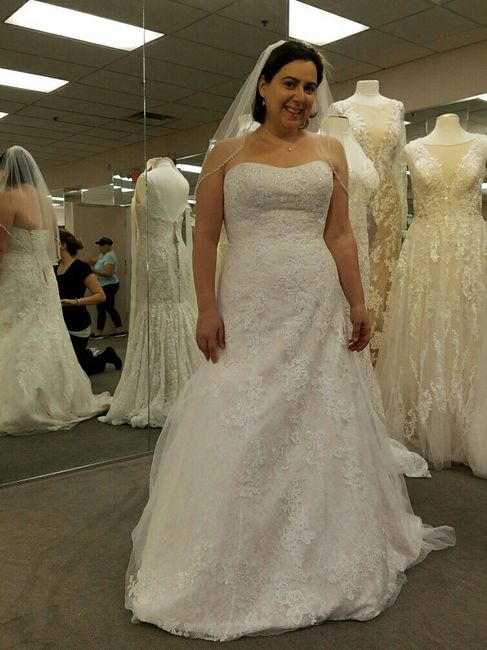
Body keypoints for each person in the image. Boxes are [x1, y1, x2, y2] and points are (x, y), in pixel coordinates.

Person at [125, 41, 454, 641]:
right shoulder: (226, 154)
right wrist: (206, 307)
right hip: (248, 300)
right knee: (244, 411)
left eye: (308, 87)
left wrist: (357, 301)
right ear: (264, 86)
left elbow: (340, 235)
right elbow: (205, 237)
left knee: (316, 412)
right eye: (290, 84)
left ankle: (322, 539)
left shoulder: (329, 150)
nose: (300, 97)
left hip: (315, 299)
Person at [0, 145, 110, 435]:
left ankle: (25, 401)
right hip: (43, 277)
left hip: (17, 273)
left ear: (6, 170)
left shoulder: (8, 197)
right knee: (44, 330)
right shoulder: (45, 203)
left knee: (15, 330)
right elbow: (52, 248)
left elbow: (1, 246)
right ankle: (58, 395)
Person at [56, 229, 122, 374]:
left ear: (63, 245)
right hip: (60, 322)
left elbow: (101, 296)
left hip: (77, 322)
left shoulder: (80, 267)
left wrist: (76, 301)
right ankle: (85, 354)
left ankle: (106, 355)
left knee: (80, 371)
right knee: (64, 365)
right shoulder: (55, 267)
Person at [88, 236, 126, 339]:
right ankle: (119, 329)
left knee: (102, 308)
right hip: (104, 285)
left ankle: (99, 332)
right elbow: (93, 260)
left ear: (107, 246)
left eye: (101, 245)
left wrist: (94, 271)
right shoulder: (102, 255)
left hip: (109, 285)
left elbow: (108, 273)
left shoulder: (110, 257)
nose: (99, 247)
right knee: (108, 307)